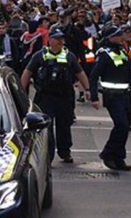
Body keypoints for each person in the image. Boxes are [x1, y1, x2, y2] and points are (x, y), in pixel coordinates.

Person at [20, 26, 90, 164]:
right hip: (46, 97)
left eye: (61, 39)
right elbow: (27, 73)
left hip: (64, 97)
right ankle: (48, 155)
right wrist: (22, 92)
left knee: (64, 125)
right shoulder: (39, 56)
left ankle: (65, 152)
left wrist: (87, 90)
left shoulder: (69, 56)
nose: (60, 42)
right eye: (57, 39)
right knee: (47, 128)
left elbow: (80, 73)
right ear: (50, 40)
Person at [89, 26, 131, 171]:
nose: (122, 36)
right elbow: (93, 76)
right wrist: (94, 97)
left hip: (125, 96)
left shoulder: (122, 52)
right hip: (112, 97)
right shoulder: (104, 54)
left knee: (124, 128)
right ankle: (108, 154)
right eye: (118, 35)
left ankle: (119, 158)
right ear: (110, 38)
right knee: (121, 125)